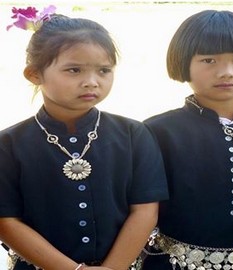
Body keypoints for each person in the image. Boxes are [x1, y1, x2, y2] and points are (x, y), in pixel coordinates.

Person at [0, 6, 169, 270]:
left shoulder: (134, 135)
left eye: (103, 70)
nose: (91, 82)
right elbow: (6, 221)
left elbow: (145, 210)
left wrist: (113, 267)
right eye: (74, 70)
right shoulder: (8, 145)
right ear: (34, 74)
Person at [142, 10, 233, 270]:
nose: (227, 72)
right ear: (184, 62)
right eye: (209, 60)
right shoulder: (156, 132)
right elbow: (139, 216)